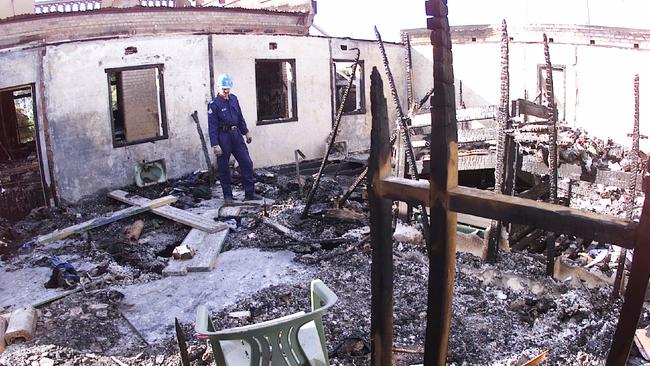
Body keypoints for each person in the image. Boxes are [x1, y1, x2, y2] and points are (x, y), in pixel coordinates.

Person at [208, 73, 261, 203]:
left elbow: (240, 117)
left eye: (228, 89)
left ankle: (249, 193)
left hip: (236, 134)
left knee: (246, 162)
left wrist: (246, 132)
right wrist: (215, 144)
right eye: (224, 89)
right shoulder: (214, 104)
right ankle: (228, 196)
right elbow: (212, 126)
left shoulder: (234, 99)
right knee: (224, 167)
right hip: (223, 137)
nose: (226, 91)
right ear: (219, 88)